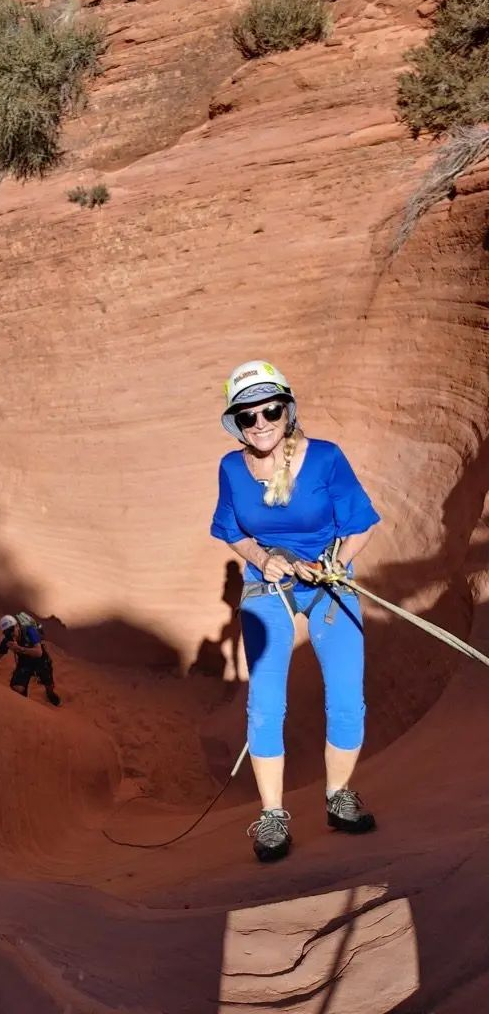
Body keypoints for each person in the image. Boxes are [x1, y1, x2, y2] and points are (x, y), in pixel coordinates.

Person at [211, 359, 380, 862]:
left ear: (288, 409)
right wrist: (266, 560)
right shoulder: (230, 468)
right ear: (236, 423)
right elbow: (231, 530)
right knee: (265, 702)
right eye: (248, 416)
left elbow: (363, 524)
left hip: (327, 581)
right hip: (269, 587)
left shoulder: (325, 458)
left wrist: (333, 563)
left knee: (347, 695)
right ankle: (272, 817)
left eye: (271, 410)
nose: (261, 423)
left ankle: (339, 798)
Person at [0, 613, 61, 706]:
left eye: (11, 629)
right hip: (24, 662)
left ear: (17, 626)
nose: (10, 633)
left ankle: (50, 694)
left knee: (48, 683)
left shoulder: (30, 631)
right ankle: (24, 704)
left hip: (40, 660)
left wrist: (19, 648)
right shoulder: (7, 641)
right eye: (6, 632)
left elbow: (39, 652)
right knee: (17, 687)